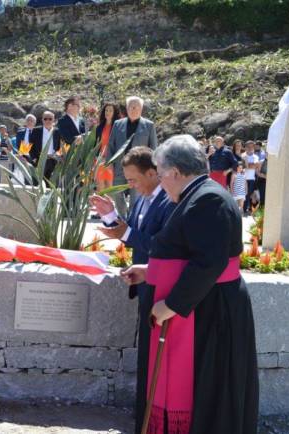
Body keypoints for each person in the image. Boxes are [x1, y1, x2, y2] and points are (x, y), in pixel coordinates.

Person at [121, 135, 259, 434]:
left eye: (160, 173)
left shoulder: (207, 199)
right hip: (203, 307)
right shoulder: (197, 196)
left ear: (176, 172)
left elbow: (209, 263)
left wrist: (170, 305)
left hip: (211, 313)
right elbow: (186, 254)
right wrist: (149, 271)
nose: (159, 181)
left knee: (208, 393)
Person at [89, 147, 175, 429]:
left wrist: (124, 231)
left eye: (134, 180)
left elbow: (162, 245)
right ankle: (144, 412)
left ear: (153, 173)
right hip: (143, 283)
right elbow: (131, 235)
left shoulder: (170, 200)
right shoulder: (142, 199)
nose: (130, 186)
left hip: (163, 286)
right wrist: (111, 216)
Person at [107, 96, 158, 216]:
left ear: (141, 109)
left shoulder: (149, 125)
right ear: (126, 108)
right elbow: (111, 145)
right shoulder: (118, 124)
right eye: (130, 106)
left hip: (139, 169)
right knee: (117, 193)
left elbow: (153, 148)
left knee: (136, 196)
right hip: (120, 167)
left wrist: (153, 167)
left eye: (135, 106)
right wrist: (109, 163)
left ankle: (132, 219)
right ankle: (123, 216)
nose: (132, 109)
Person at [95, 102, 120, 192]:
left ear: (114, 113)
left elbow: (119, 145)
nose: (107, 112)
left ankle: (109, 206)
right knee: (100, 188)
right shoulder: (99, 127)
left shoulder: (118, 127)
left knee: (110, 188)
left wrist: (112, 160)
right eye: (106, 110)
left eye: (110, 110)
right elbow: (95, 144)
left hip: (111, 162)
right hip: (100, 161)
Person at [28, 111, 58, 179]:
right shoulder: (36, 130)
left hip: (53, 161)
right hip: (40, 160)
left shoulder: (57, 132)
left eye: (50, 119)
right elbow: (30, 146)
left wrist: (58, 156)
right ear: (42, 120)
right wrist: (34, 158)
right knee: (37, 182)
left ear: (53, 120)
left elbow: (60, 146)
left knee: (52, 184)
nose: (48, 120)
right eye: (45, 119)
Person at [242, 140, 261, 214]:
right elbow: (243, 166)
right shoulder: (242, 155)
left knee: (249, 194)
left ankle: (248, 208)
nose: (250, 148)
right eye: (248, 146)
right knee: (245, 194)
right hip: (244, 178)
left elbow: (256, 165)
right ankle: (245, 209)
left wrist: (248, 165)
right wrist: (251, 165)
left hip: (252, 178)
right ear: (245, 147)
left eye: (252, 146)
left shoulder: (255, 156)